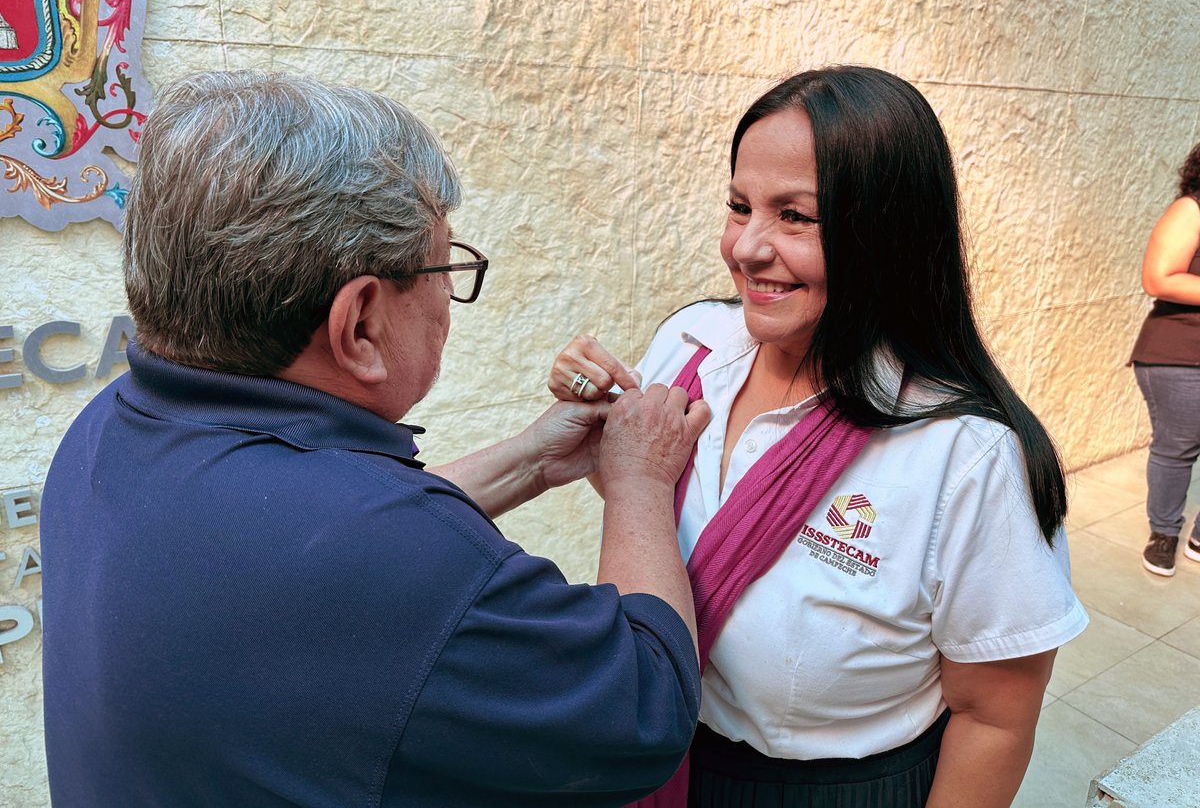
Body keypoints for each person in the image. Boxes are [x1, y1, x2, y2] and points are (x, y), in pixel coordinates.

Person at [40, 70, 713, 807]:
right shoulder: (385, 553)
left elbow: (315, 562)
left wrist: (531, 461)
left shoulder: (112, 425)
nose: (447, 301)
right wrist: (642, 482)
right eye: (443, 267)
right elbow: (645, 704)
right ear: (359, 323)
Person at [550, 66, 1088, 807]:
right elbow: (672, 519)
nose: (746, 248)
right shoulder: (692, 346)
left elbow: (994, 717)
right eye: (740, 206)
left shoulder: (965, 456)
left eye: (796, 217)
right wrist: (601, 439)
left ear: (889, 235)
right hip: (659, 754)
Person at [1130, 141, 1200, 576]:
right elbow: (1158, 277)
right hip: (1181, 352)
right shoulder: (1192, 209)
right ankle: (1164, 532)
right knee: (1177, 448)